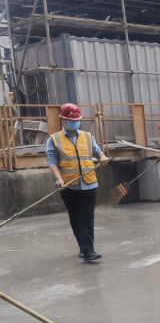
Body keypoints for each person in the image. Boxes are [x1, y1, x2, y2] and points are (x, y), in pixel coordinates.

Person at [46, 103, 110, 262]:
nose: (75, 123)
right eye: (71, 121)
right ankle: (83, 247)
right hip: (68, 186)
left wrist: (102, 157)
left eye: (77, 120)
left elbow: (97, 152)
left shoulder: (87, 136)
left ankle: (88, 251)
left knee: (87, 218)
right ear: (63, 120)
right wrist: (59, 179)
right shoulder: (54, 140)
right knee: (75, 219)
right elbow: (52, 162)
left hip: (89, 184)